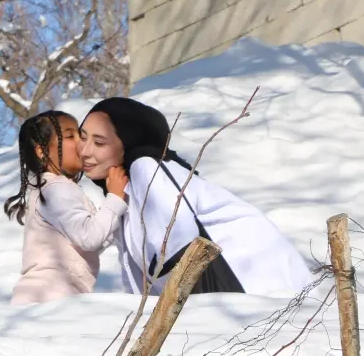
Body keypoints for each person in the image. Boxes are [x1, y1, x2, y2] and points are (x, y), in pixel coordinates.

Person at [80, 97, 314, 296]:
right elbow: (139, 279)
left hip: (259, 285)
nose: (85, 151)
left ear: (128, 143)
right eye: (82, 137)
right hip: (232, 299)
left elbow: (179, 243)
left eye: (99, 142)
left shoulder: (146, 168)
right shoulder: (125, 195)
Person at [6, 111, 129, 306]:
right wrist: (114, 198)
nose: (81, 142)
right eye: (71, 136)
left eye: (81, 135)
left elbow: (90, 241)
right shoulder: (56, 190)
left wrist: (120, 206)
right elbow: (89, 238)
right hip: (47, 298)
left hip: (44, 299)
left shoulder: (55, 188)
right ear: (42, 151)